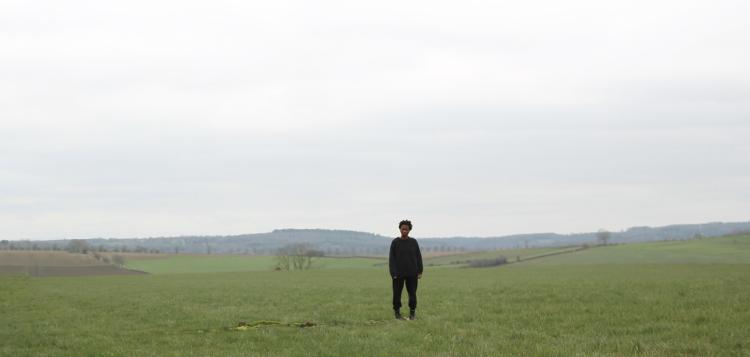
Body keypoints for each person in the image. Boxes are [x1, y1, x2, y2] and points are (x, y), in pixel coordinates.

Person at [389, 219, 423, 320]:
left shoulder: (413, 242)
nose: (404, 231)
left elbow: (418, 256)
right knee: (397, 294)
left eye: (406, 229)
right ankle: (397, 314)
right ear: (400, 229)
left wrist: (420, 270)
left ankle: (412, 314)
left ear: (409, 230)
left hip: (412, 273)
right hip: (398, 274)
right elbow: (392, 259)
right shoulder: (395, 242)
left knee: (412, 294)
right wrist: (393, 273)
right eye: (403, 229)